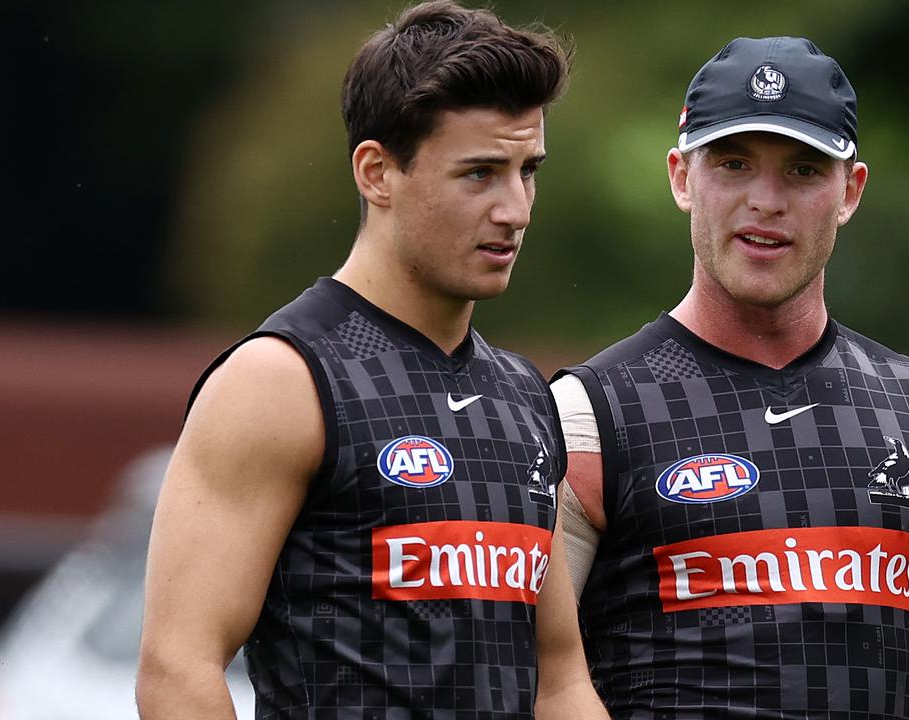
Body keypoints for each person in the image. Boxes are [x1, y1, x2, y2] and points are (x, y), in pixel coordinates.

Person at [136, 3, 606, 718]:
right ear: (377, 173)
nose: (515, 209)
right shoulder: (280, 380)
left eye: (526, 170)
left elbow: (560, 681)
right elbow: (178, 670)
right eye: (480, 174)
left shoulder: (523, 397)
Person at [551, 36, 909, 719]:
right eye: (733, 163)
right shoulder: (587, 418)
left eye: (804, 171)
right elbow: (530, 683)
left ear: (850, 191)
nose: (765, 200)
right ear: (682, 178)